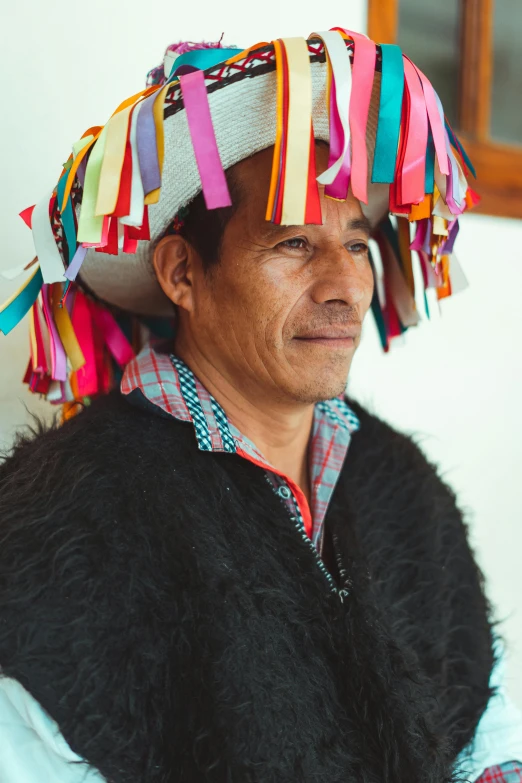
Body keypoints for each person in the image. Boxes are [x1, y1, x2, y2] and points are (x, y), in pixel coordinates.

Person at [0, 29, 521, 783]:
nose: (345, 286)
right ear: (183, 271)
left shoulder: (402, 486)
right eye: (294, 245)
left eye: (356, 244)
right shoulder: (64, 519)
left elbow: (489, 732)